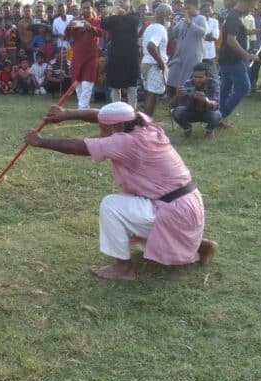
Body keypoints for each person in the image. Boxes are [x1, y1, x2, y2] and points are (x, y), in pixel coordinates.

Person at [23, 101, 216, 281]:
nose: (100, 130)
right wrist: (67, 114)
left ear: (119, 127)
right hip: (185, 205)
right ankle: (201, 245)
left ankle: (123, 268)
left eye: (104, 127)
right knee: (130, 206)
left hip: (173, 210)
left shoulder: (125, 141)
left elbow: (80, 147)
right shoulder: (143, 124)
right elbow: (101, 115)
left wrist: (41, 142)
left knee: (111, 205)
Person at [218, 0, 259, 126]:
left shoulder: (235, 16)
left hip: (227, 59)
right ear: (246, 2)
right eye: (252, 7)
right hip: (233, 60)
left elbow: (243, 32)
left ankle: (218, 116)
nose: (251, 10)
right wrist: (247, 55)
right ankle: (223, 115)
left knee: (226, 89)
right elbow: (231, 40)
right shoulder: (234, 17)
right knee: (244, 88)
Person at [102, 0, 140, 106]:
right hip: (115, 56)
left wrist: (125, 15)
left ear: (130, 3)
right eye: (120, 0)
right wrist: (103, 16)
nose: (122, 2)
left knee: (132, 86)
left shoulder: (134, 16)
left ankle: (132, 113)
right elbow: (104, 25)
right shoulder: (113, 18)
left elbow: (134, 24)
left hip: (131, 56)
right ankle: (116, 111)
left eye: (125, 0)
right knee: (114, 86)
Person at [167, 0, 208, 93]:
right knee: (172, 78)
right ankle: (176, 103)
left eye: (189, 8)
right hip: (179, 55)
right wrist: (170, 23)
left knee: (187, 82)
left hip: (192, 57)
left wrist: (190, 23)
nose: (186, 10)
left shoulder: (201, 18)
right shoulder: (182, 20)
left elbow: (203, 33)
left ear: (196, 8)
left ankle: (186, 103)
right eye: (185, 8)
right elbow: (172, 34)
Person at [65, 2, 102, 108]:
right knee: (78, 85)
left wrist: (90, 27)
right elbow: (67, 35)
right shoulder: (76, 21)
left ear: (92, 8)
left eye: (88, 8)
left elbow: (101, 33)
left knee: (87, 83)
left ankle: (82, 108)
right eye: (83, 8)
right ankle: (83, 108)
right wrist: (69, 27)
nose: (85, 10)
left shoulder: (97, 21)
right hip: (77, 57)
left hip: (91, 57)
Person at [170, 63, 221, 138]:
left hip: (207, 112)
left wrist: (205, 100)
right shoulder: (188, 83)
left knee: (217, 115)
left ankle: (210, 130)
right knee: (176, 112)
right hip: (192, 111)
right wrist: (177, 96)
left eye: (200, 77)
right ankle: (187, 129)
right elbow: (173, 105)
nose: (197, 80)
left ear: (207, 77)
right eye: (195, 77)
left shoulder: (213, 84)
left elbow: (216, 105)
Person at [140, 3, 172, 117]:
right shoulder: (160, 28)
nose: (170, 17)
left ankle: (145, 121)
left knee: (150, 92)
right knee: (152, 94)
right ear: (163, 14)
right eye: (169, 14)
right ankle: (147, 124)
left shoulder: (150, 27)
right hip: (154, 65)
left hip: (146, 62)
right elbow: (151, 46)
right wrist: (161, 62)